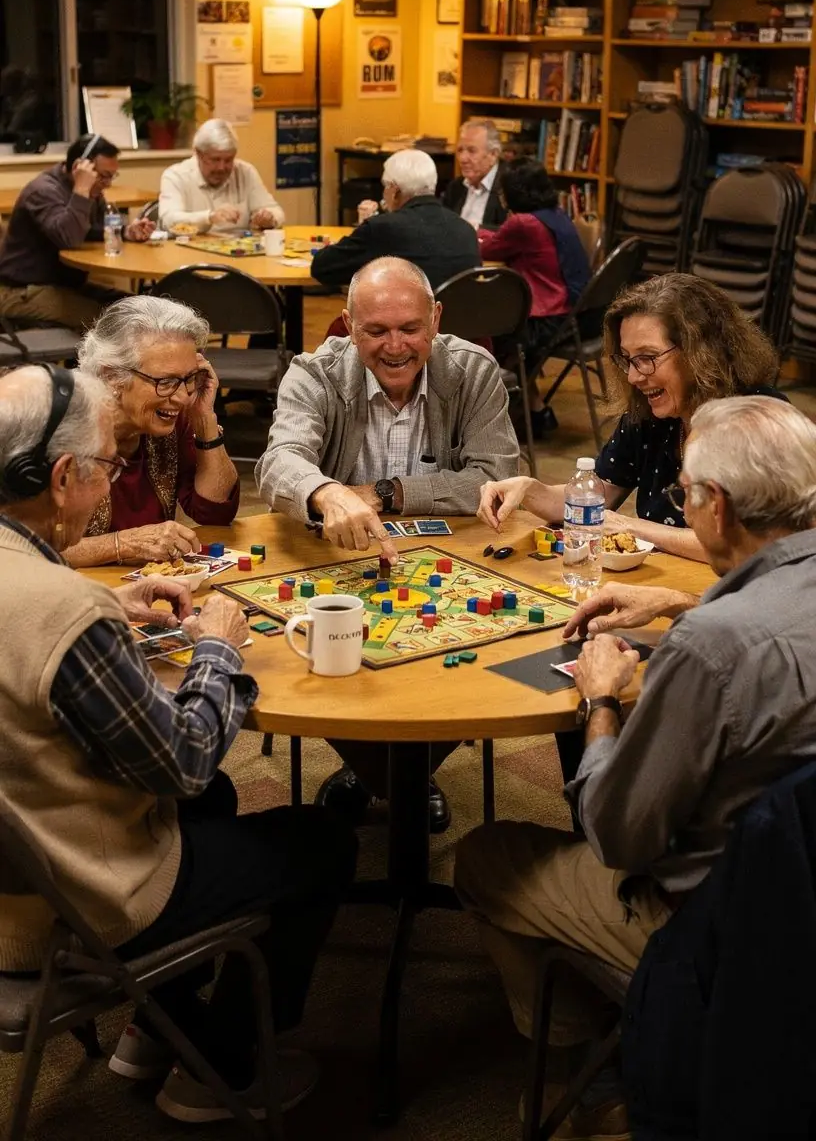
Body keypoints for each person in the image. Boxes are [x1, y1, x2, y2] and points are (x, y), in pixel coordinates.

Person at [0, 364, 356, 1123]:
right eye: (104, 469)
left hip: (14, 866)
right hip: (68, 905)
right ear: (60, 477)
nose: (109, 483)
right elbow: (187, 759)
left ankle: (155, 1026)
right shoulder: (63, 607)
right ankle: (220, 1069)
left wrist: (104, 603)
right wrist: (219, 648)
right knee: (320, 839)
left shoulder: (44, 584)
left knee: (221, 802)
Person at [457, 396, 816, 1140]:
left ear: (713, 506)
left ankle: (596, 1075)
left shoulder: (715, 646)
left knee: (484, 857)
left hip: (726, 924)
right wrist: (681, 603)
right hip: (798, 886)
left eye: (685, 493)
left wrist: (601, 702)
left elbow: (618, 835)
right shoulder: (724, 626)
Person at [257, 255, 520, 832]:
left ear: (437, 319)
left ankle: (396, 769)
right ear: (349, 326)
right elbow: (277, 464)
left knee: (482, 656)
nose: (395, 346)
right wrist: (326, 492)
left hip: (455, 560)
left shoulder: (473, 370)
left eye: (411, 328)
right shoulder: (315, 372)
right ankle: (383, 768)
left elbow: (496, 474)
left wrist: (386, 492)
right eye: (375, 330)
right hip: (336, 560)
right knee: (312, 651)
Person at [478, 272, 785, 563]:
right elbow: (598, 495)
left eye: (648, 358)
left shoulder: (758, 420)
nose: (635, 376)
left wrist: (632, 527)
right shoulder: (651, 415)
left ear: (700, 352)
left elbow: (747, 547)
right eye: (628, 360)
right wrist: (532, 490)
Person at [62, 295, 240, 568]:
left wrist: (204, 418)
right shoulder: (56, 425)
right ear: (112, 376)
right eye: (166, 381)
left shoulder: (170, 419)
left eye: (190, 378)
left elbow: (214, 511)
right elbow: (22, 547)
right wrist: (123, 544)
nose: (182, 397)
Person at [478, 157, 591, 436]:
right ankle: (537, 411)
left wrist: (471, 232)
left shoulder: (524, 223)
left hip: (546, 318)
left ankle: (487, 417)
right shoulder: (555, 213)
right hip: (575, 316)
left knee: (482, 334)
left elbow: (491, 250)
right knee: (510, 341)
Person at [0, 133, 154, 330]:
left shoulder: (91, 190)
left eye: (112, 176)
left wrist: (125, 232)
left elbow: (89, 229)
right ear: (79, 168)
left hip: (64, 286)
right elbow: (70, 238)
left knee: (138, 308)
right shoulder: (43, 191)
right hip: (22, 291)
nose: (108, 184)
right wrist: (82, 189)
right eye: (103, 176)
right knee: (114, 324)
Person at [310, 148, 479, 292]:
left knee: (339, 327)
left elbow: (322, 268)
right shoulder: (466, 230)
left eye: (385, 187)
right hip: (462, 327)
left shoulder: (383, 227)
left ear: (394, 190)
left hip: (403, 327)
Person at [159, 118, 284, 234]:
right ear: (198, 154)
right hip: (190, 254)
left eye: (228, 160)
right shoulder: (176, 176)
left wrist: (269, 218)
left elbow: (277, 212)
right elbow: (169, 220)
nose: (221, 167)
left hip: (239, 253)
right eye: (215, 159)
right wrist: (210, 217)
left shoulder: (246, 172)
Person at [442, 120, 507, 230]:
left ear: (493, 154)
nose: (462, 158)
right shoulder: (455, 187)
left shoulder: (508, 188)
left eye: (471, 151)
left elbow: (509, 234)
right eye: (460, 150)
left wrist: (475, 229)